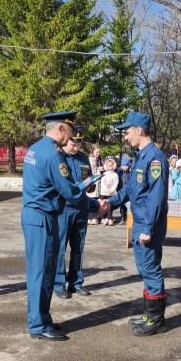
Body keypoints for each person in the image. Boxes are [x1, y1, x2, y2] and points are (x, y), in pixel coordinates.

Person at [22, 111, 101, 341]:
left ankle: (42, 319)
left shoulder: (36, 148)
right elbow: (69, 191)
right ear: (59, 129)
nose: (71, 136)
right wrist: (95, 204)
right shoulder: (54, 154)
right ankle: (38, 326)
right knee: (41, 272)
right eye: (69, 130)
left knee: (42, 271)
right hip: (43, 217)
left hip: (35, 215)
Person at [103, 111, 169, 337]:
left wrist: (149, 229)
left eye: (127, 131)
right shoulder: (140, 156)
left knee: (150, 269)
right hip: (140, 221)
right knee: (144, 268)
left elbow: (156, 197)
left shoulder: (155, 157)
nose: (126, 136)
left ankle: (156, 320)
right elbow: (132, 190)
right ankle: (148, 314)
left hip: (147, 224)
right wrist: (109, 203)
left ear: (139, 130)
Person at [54, 127, 93, 300]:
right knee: (60, 247)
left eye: (78, 144)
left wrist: (90, 183)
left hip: (81, 208)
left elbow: (89, 180)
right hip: (64, 209)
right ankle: (58, 283)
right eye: (72, 144)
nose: (75, 148)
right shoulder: (58, 157)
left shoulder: (83, 158)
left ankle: (76, 282)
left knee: (79, 247)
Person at [99, 156, 119, 224]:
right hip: (103, 192)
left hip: (111, 193)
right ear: (106, 166)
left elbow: (116, 183)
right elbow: (102, 183)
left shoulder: (115, 175)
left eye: (111, 165)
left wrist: (111, 190)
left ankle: (109, 217)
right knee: (103, 205)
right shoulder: (104, 174)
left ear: (113, 165)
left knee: (110, 206)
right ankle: (103, 218)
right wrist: (106, 190)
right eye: (108, 165)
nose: (110, 166)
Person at [117, 156, 132, 225]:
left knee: (129, 205)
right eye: (123, 165)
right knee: (122, 205)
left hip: (129, 191)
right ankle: (123, 217)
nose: (125, 167)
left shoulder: (131, 173)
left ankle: (129, 218)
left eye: (126, 165)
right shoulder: (119, 173)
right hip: (121, 190)